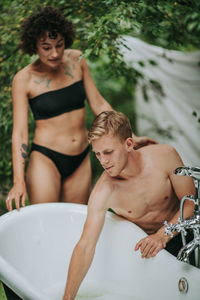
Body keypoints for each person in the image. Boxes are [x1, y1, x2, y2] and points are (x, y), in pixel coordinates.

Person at [5, 6, 156, 211]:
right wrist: (18, 181)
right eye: (46, 47)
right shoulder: (23, 79)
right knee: (45, 219)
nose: (55, 53)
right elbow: (20, 133)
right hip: (46, 158)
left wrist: (129, 136)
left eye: (59, 45)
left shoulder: (77, 60)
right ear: (34, 45)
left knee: (74, 221)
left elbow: (99, 104)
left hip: (81, 156)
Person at [63, 111, 195, 300]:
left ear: (129, 144)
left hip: (183, 234)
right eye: (98, 154)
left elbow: (190, 203)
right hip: (148, 252)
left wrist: (162, 235)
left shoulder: (165, 156)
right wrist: (67, 298)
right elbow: (85, 246)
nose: (103, 161)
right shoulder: (104, 191)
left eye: (108, 152)